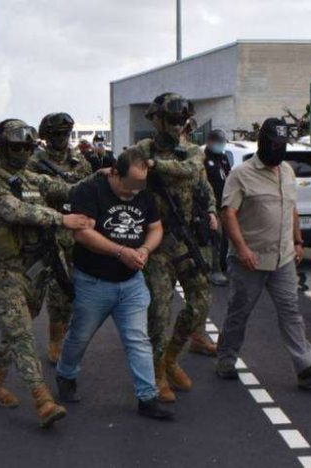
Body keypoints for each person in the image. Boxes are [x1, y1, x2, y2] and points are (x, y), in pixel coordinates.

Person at [0, 118, 92, 428]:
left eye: (28, 146)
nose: (24, 152)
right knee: (23, 335)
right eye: (17, 146)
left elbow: (67, 189)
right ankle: (42, 400)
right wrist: (61, 220)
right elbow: (16, 211)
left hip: (35, 271)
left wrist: (103, 182)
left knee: (13, 332)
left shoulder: (31, 179)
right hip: (5, 272)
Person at [215, 118, 311, 387]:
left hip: (283, 258)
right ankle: (225, 357)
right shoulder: (241, 174)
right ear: (263, 143)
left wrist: (298, 240)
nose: (279, 149)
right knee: (239, 311)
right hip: (250, 259)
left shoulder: (288, 172)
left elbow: (290, 207)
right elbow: (229, 214)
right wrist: (242, 249)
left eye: (283, 144)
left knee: (291, 311)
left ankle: (307, 367)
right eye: (274, 144)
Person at [55, 150, 174, 420]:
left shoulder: (143, 192)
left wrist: (144, 249)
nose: (133, 192)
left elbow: (155, 228)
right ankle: (66, 374)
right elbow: (82, 233)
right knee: (80, 336)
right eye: (129, 185)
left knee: (138, 339)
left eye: (139, 186)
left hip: (131, 283)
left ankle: (147, 397)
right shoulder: (89, 190)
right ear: (114, 173)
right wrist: (121, 252)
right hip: (93, 281)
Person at [129, 92, 218, 402]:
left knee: (201, 303)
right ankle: (155, 372)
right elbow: (127, 181)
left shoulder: (192, 151)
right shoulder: (142, 150)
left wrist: (211, 212)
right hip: (155, 243)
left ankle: (170, 357)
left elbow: (199, 180)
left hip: (186, 239)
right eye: (171, 120)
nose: (177, 126)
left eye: (182, 120)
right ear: (156, 119)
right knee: (159, 311)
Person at [29, 113, 93, 364]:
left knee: (82, 287)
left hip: (79, 231)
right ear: (45, 137)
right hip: (50, 231)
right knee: (59, 289)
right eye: (56, 134)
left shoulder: (79, 160)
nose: (62, 139)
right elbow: (30, 195)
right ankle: (56, 339)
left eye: (65, 134)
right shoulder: (34, 163)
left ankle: (69, 334)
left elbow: (89, 190)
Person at [203, 128, 233, 286]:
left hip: (225, 204)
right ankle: (214, 269)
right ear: (210, 142)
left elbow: (228, 178)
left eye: (222, 142)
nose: (221, 145)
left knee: (226, 238)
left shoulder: (223, 159)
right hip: (211, 206)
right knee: (216, 236)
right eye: (218, 142)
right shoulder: (203, 159)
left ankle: (222, 266)